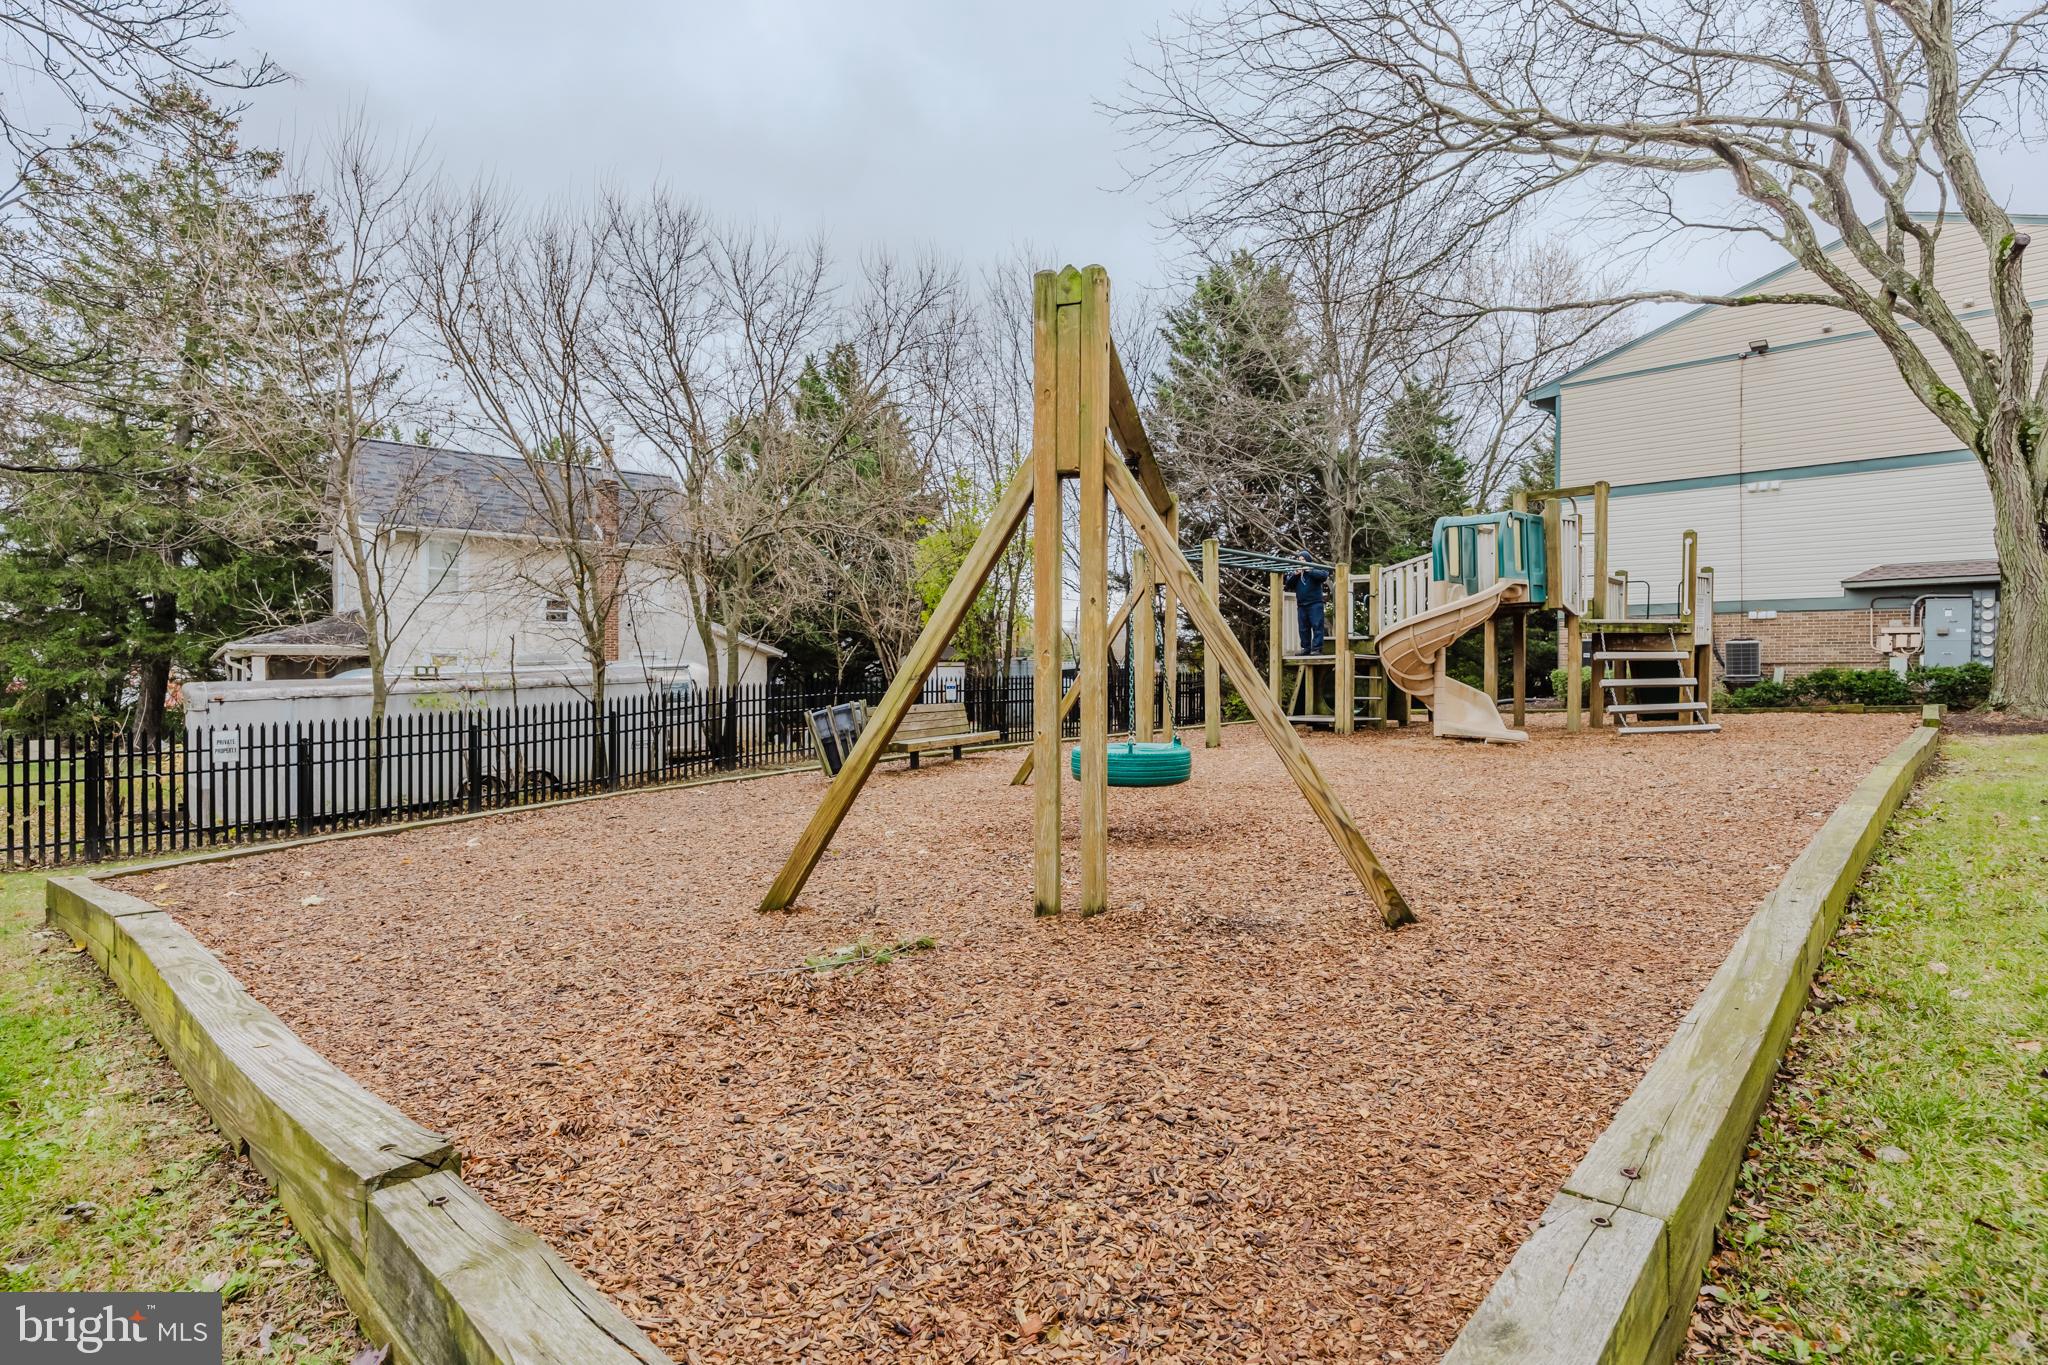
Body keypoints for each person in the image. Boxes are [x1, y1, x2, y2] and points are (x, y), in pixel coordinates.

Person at [1284, 551, 1330, 653]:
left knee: (1317, 626)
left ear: (1308, 560)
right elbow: (1288, 584)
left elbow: (1324, 575)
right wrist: (1296, 575)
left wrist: (1309, 570)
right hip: (1301, 605)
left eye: (1303, 560)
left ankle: (1317, 649)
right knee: (1303, 628)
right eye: (1299, 560)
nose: (1301, 562)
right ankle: (1306, 648)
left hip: (1315, 603)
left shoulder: (1314, 569)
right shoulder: (1295, 573)